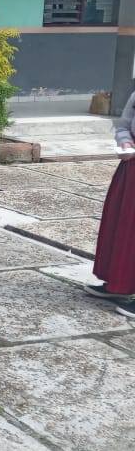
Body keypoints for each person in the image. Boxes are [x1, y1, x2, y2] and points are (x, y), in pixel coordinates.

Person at [86, 90, 135, 317]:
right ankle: (119, 283)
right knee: (123, 228)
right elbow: (124, 125)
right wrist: (125, 143)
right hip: (131, 169)